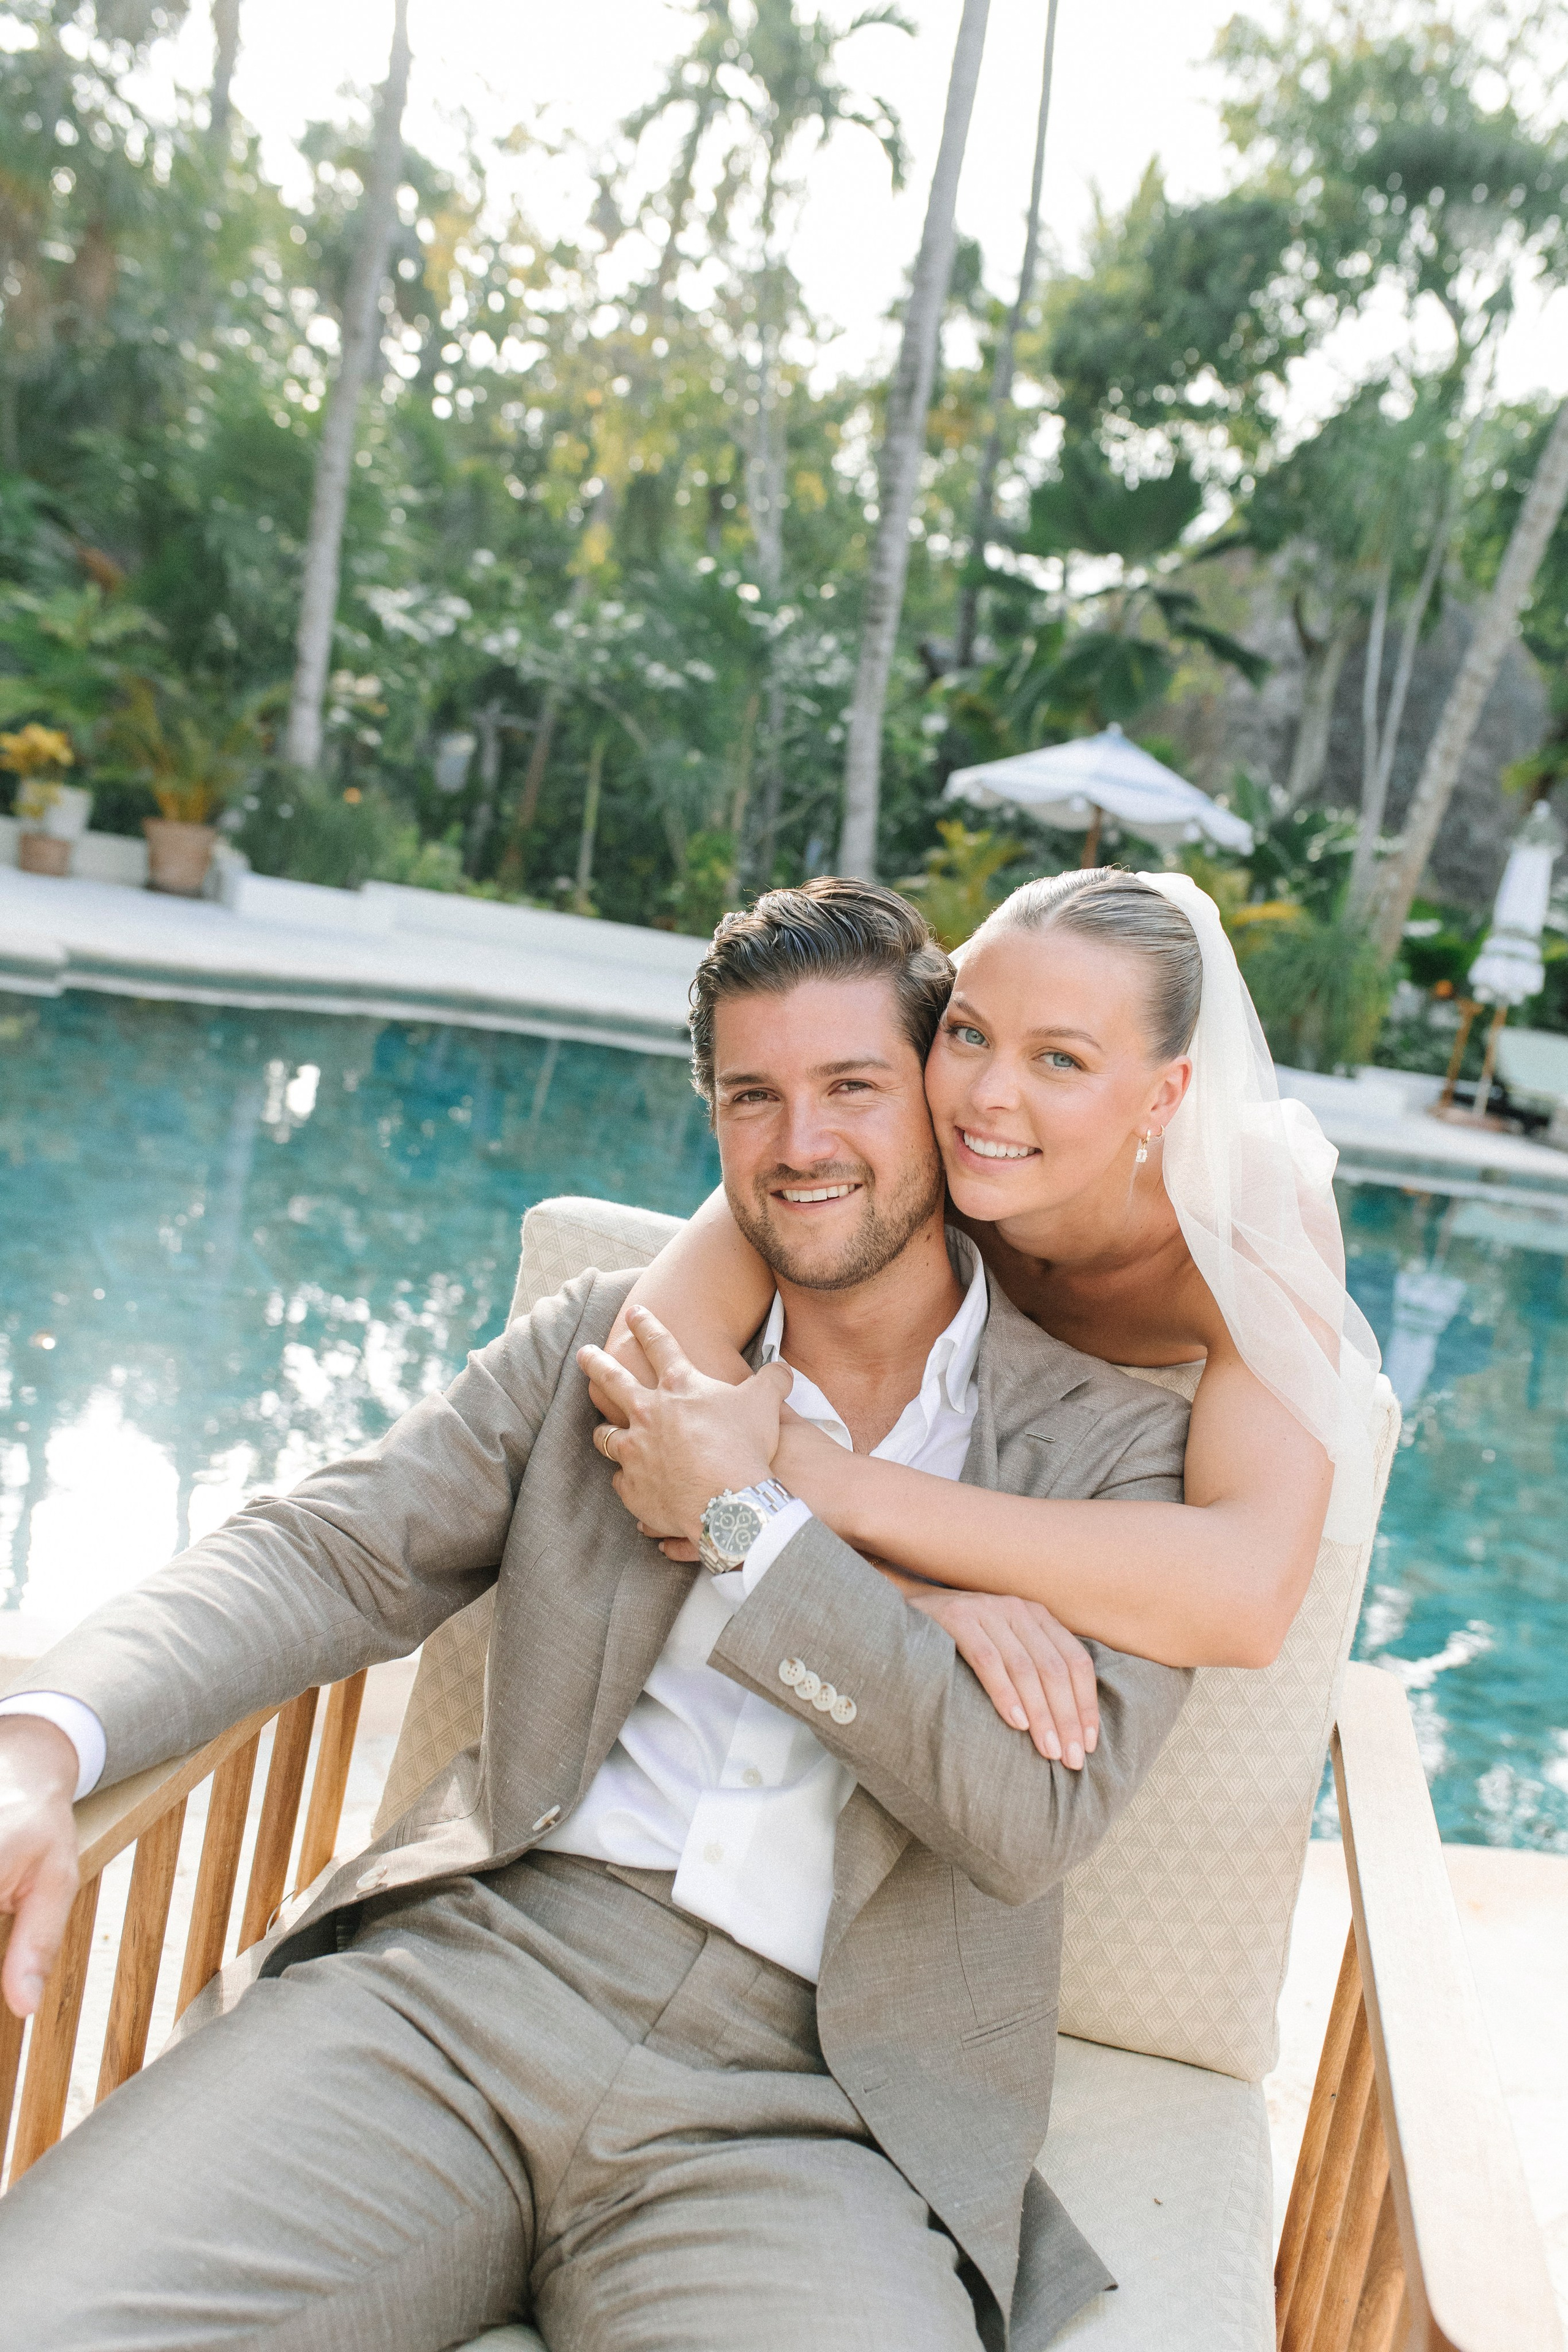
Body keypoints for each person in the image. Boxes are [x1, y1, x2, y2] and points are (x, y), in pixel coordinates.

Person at [0, 881, 1193, 2352]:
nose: (800, 1143)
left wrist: (753, 1526)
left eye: (850, 1088)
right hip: (464, 1987)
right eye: (751, 1096)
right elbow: (330, 1547)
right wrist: (44, 1740)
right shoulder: (612, 1343)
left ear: (936, 1105)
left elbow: (1021, 1815)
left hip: (819, 2113)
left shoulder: (1110, 1453)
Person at [604, 866, 1381, 1766]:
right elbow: (647, 1364)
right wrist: (901, 1597)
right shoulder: (913, 1119)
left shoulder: (1244, 1216)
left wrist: (829, 1481)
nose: (987, 1098)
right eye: (969, 1034)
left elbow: (1248, 1596)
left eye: (1061, 1059)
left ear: (1165, 1097)